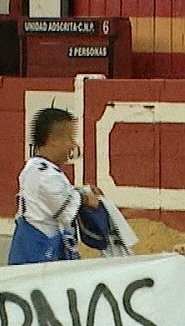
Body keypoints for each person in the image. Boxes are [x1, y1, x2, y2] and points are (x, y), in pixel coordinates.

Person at [8, 107, 119, 264]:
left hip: (38, 249)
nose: (73, 144)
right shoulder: (43, 173)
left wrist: (82, 191)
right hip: (38, 253)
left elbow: (58, 196)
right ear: (54, 140)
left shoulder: (40, 169)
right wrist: (86, 199)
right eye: (70, 138)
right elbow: (61, 201)